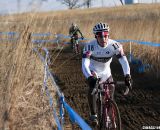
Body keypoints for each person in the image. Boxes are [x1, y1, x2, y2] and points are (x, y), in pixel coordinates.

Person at [82, 22, 132, 123]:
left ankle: (109, 117)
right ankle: (93, 114)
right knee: (93, 90)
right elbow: (84, 64)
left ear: (108, 35)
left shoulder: (115, 45)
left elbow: (123, 61)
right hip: (93, 72)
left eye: (106, 36)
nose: (103, 39)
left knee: (110, 96)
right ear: (96, 36)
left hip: (106, 73)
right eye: (100, 36)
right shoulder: (89, 46)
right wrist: (89, 77)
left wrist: (127, 75)